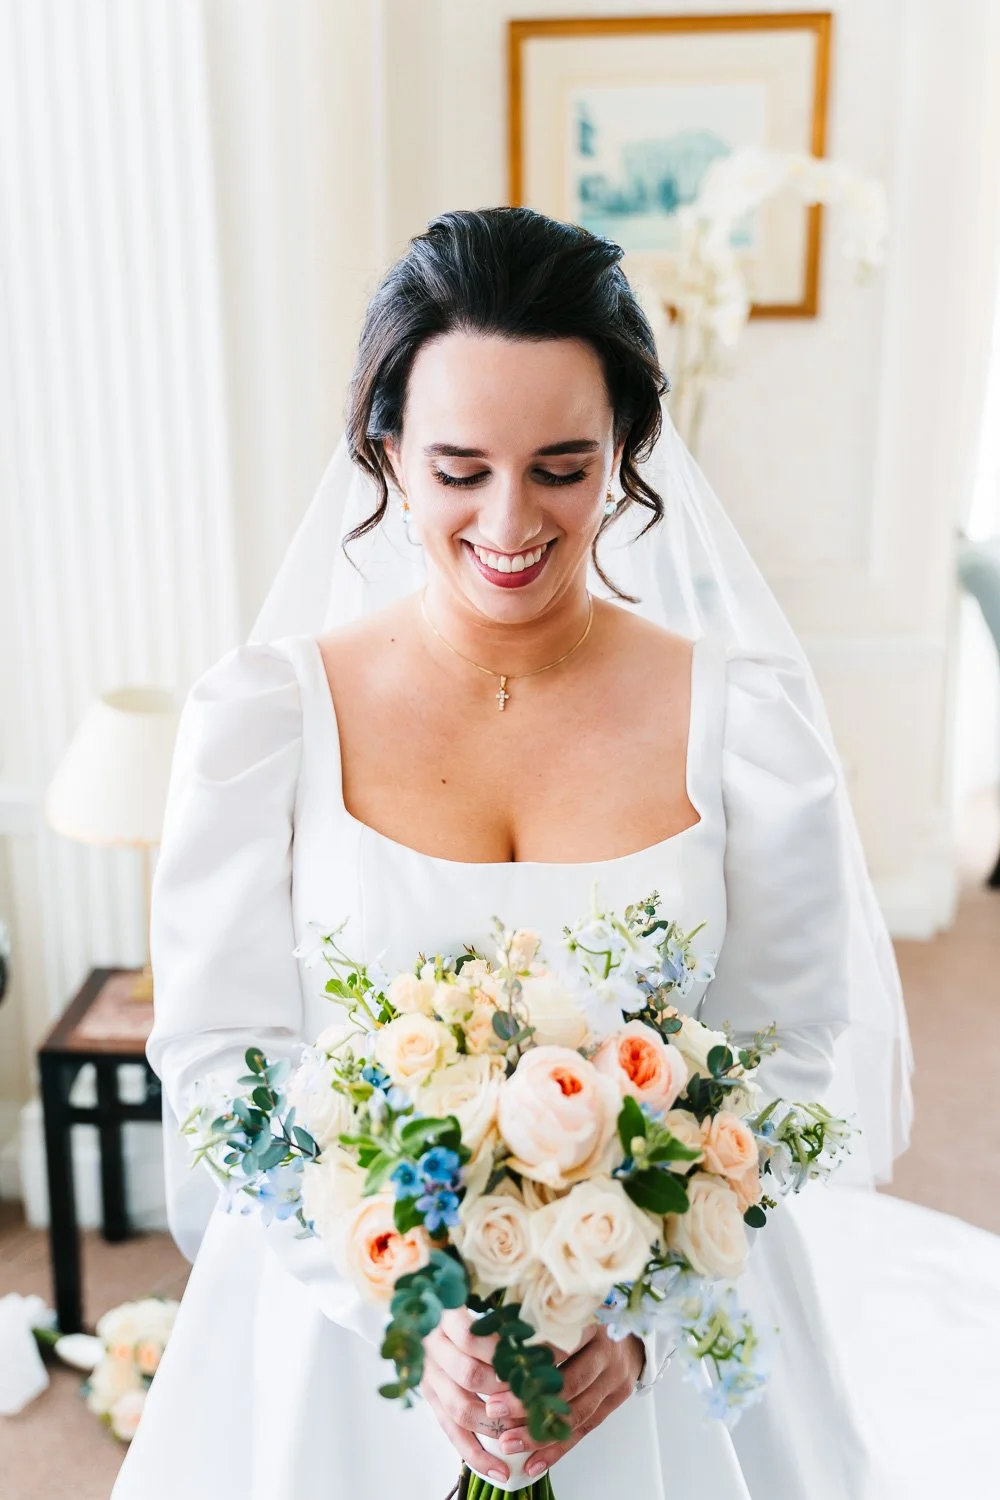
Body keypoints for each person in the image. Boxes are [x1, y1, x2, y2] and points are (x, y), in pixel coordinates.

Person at [113, 207, 910, 1499]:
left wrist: (642, 1315)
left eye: (560, 467)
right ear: (387, 451)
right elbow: (220, 1067)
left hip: (650, 1359)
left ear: (626, 450)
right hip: (347, 1355)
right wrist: (397, 1308)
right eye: (459, 468)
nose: (508, 520)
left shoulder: (745, 724)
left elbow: (793, 1057)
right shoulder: (265, 723)